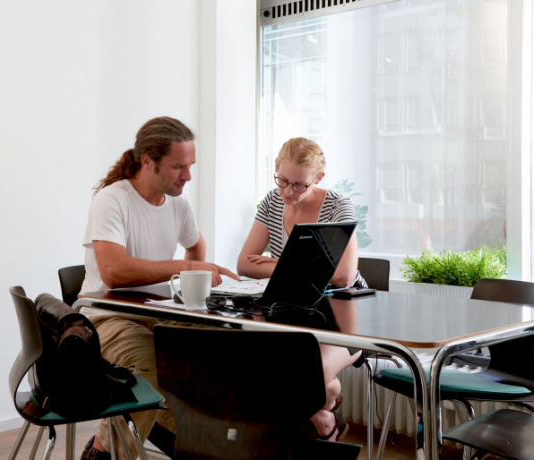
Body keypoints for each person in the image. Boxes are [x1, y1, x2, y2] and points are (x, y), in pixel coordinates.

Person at [79, 116, 238, 459]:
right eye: (178, 166)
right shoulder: (112, 200)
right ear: (147, 161)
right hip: (106, 317)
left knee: (216, 352)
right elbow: (113, 271)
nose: (188, 176)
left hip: (155, 313)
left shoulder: (178, 206)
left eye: (190, 166)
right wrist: (188, 267)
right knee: (151, 364)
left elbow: (196, 246)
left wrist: (188, 287)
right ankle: (103, 451)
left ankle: (190, 436)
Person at [237, 137, 366, 442]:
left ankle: (324, 414)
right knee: (249, 367)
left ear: (318, 178)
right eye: (282, 181)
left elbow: (344, 275)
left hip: (345, 317)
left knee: (301, 378)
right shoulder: (272, 202)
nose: (287, 192)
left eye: (298, 185)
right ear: (276, 170)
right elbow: (244, 263)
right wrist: (300, 267)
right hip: (292, 310)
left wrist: (277, 262)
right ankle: (326, 415)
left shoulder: (337, 206)